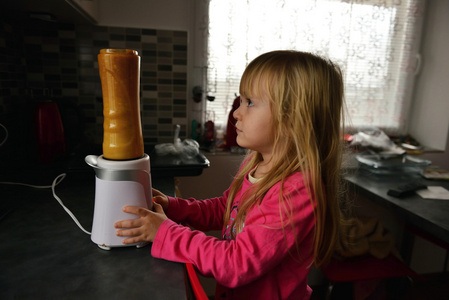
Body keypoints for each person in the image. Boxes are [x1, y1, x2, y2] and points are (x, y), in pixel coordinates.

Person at [114, 50, 345, 300]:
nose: (237, 112)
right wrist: (175, 207)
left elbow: (237, 263)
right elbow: (227, 210)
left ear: (291, 119)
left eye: (250, 102)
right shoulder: (258, 166)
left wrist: (165, 233)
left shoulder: (297, 190)